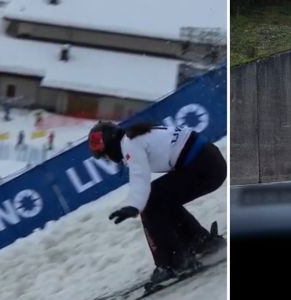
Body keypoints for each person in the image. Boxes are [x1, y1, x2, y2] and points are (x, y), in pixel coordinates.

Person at [88, 121, 226, 284]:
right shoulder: (135, 134)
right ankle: (200, 242)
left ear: (111, 147)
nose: (109, 159)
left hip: (203, 166)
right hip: (209, 160)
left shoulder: (130, 145)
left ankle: (172, 263)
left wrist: (134, 206)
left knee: (151, 203)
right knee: (161, 199)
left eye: (105, 155)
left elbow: (140, 179)